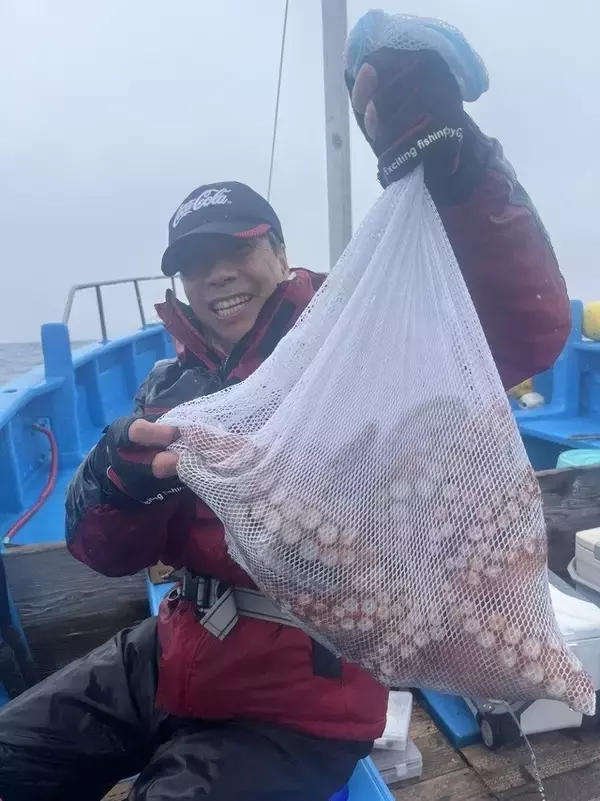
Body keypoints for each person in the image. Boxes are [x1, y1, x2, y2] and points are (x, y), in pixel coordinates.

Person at [0, 38, 570, 801]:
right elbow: (104, 551)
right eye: (193, 263)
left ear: (278, 248)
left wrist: (463, 172)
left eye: (234, 249)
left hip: (303, 693)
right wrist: (114, 480)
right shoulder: (173, 386)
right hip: (175, 649)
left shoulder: (362, 341)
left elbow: (514, 326)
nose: (215, 276)